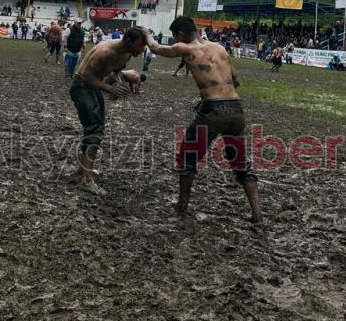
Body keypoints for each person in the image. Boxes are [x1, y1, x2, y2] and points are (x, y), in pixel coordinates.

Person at [144, 17, 262, 223]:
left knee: (187, 157)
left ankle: (182, 204)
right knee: (241, 162)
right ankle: (257, 213)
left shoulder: (186, 48)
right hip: (235, 109)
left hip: (212, 111)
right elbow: (236, 81)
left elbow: (156, 48)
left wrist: (146, 34)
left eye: (174, 35)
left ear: (180, 34)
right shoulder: (220, 48)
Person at [68, 27, 146, 194]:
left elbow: (114, 70)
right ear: (129, 41)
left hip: (94, 87)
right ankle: (87, 181)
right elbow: (86, 76)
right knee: (94, 131)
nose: (142, 49)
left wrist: (117, 82)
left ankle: (83, 171)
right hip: (82, 86)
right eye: (140, 45)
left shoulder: (128, 53)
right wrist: (109, 89)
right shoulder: (105, 51)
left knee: (97, 129)